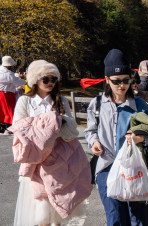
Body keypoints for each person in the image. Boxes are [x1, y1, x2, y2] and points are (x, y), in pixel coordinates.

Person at [85, 49, 148, 226]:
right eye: (116, 81)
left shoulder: (139, 105)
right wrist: (94, 142)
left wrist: (143, 139)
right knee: (115, 218)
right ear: (106, 80)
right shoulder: (97, 104)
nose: (122, 85)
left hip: (136, 169)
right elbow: (90, 131)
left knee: (140, 219)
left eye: (127, 80)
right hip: (106, 168)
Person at [12, 59, 91, 225]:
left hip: (60, 159)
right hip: (36, 160)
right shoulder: (25, 101)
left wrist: (58, 123)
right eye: (45, 79)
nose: (50, 83)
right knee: (41, 207)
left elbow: (72, 131)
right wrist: (45, 125)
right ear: (35, 80)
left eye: (53, 79)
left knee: (58, 207)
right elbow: (18, 128)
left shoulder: (60, 101)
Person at [0, 55, 25, 133]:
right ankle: (9, 127)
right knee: (9, 110)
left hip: (4, 93)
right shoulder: (7, 73)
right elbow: (17, 82)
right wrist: (25, 81)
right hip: (6, 94)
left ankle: (3, 126)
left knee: (2, 111)